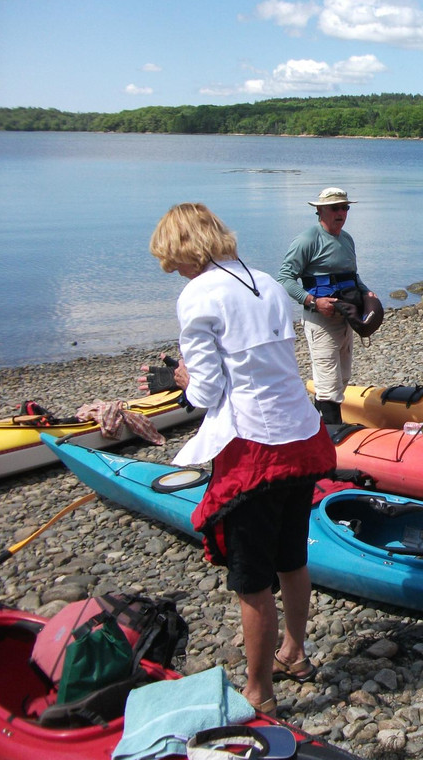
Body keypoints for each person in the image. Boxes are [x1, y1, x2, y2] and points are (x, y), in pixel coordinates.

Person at [150, 203, 336, 717]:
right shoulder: (264, 281)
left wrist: (184, 380)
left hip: (254, 445)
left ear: (187, 251)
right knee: (292, 556)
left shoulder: (199, 294)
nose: (175, 272)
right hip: (302, 431)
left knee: (252, 576)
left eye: (175, 262)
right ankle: (294, 653)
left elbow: (208, 392)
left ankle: (259, 691)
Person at [278, 187, 377, 425]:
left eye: (345, 207)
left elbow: (353, 276)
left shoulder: (347, 239)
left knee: (342, 378)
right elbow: (284, 278)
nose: (341, 212)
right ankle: (333, 435)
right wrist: (313, 301)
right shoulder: (307, 240)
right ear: (320, 210)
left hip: (346, 317)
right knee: (328, 383)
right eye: (335, 208)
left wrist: (366, 293)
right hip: (321, 320)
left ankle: (316, 424)